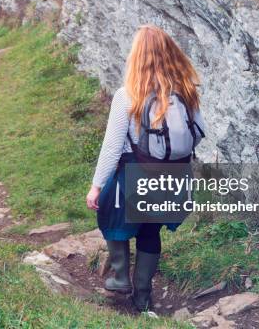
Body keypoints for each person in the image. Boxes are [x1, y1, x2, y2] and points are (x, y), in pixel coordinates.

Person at [86, 25, 205, 312]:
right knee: (151, 233)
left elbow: (113, 146)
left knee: (112, 218)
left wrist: (96, 185)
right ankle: (142, 296)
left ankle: (119, 279)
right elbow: (199, 133)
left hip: (134, 173)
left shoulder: (128, 95)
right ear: (170, 53)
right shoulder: (186, 91)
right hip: (173, 177)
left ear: (136, 57)